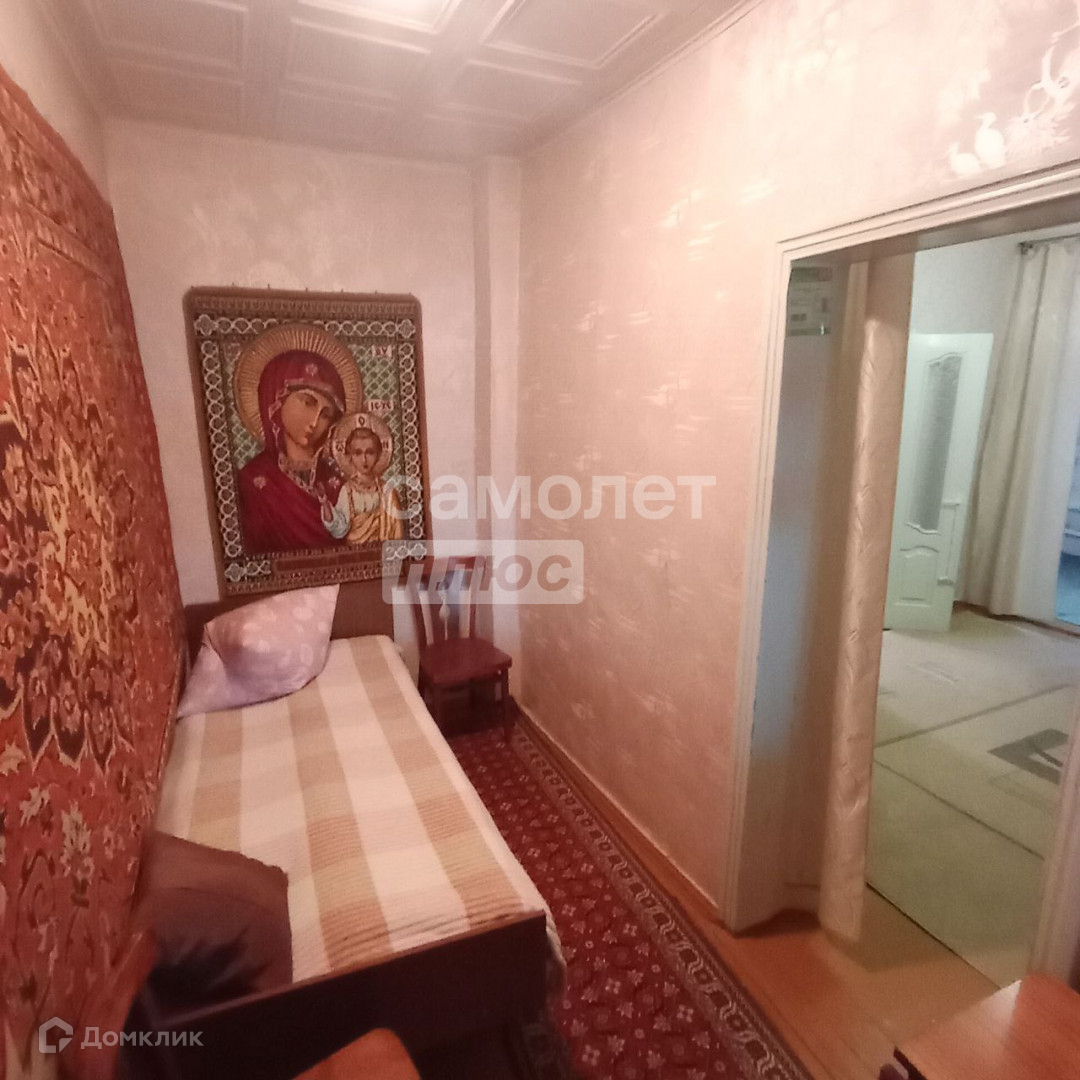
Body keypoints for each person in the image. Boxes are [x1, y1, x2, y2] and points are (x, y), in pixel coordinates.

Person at [236, 349, 347, 553]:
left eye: (325, 415)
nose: (314, 422)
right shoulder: (252, 482)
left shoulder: (336, 483)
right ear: (277, 399)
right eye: (307, 403)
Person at [322, 423, 404, 544]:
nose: (364, 459)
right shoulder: (348, 491)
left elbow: (397, 535)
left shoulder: (388, 492)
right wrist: (325, 505)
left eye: (370, 452)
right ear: (349, 456)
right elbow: (340, 529)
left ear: (378, 455)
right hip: (355, 553)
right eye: (358, 453)